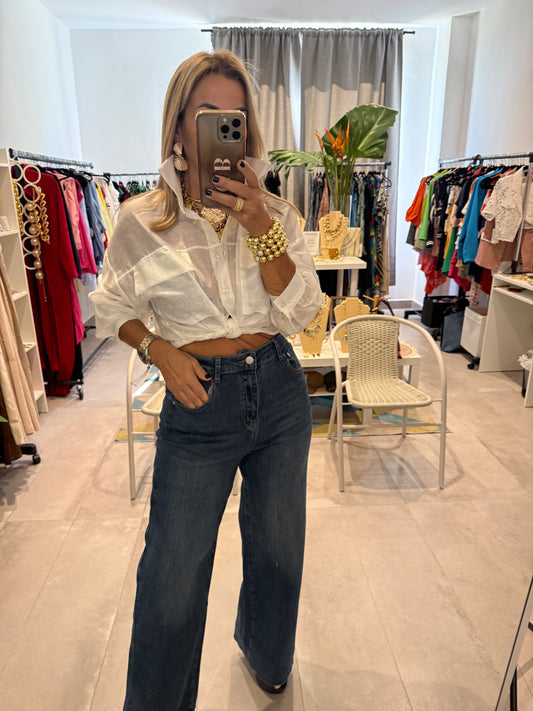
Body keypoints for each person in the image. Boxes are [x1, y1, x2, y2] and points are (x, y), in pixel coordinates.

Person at [90, 49, 323, 711]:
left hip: (278, 391)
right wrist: (157, 349)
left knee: (278, 551)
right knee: (172, 574)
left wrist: (259, 226)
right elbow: (110, 306)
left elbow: (300, 313)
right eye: (209, 115)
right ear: (179, 128)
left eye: (236, 116)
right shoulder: (140, 220)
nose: (226, 129)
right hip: (197, 401)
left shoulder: (274, 212)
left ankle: (267, 654)